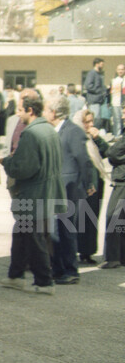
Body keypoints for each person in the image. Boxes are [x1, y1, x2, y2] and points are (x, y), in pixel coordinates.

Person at [0, 92, 65, 295]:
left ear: (30, 110)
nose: (18, 114)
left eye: (20, 110)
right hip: (47, 193)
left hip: (31, 196)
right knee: (21, 234)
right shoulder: (50, 130)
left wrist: (8, 162)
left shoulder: (31, 134)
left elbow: (23, 169)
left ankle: (44, 281)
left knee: (34, 237)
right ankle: (15, 276)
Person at [45, 95, 89, 285]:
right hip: (54, 189)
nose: (44, 113)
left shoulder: (73, 131)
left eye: (47, 110)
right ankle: (58, 268)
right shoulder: (52, 131)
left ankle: (71, 271)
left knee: (67, 231)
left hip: (69, 189)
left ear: (54, 112)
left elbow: (84, 162)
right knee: (54, 231)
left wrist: (86, 186)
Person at [72, 108, 110, 266]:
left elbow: (107, 152)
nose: (90, 124)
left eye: (91, 121)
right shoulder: (76, 137)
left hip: (96, 182)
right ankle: (74, 249)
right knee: (78, 219)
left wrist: (98, 138)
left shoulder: (91, 139)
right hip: (81, 183)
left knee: (92, 218)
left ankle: (87, 251)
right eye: (86, 122)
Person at [102, 107, 125, 269]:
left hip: (122, 181)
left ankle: (113, 257)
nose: (122, 115)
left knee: (113, 217)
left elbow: (113, 153)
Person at [112, 64, 125, 136]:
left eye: (122, 69)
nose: (120, 71)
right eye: (119, 69)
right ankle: (117, 136)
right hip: (115, 103)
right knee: (116, 120)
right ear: (116, 70)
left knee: (123, 121)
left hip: (123, 104)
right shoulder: (114, 80)